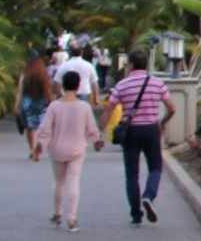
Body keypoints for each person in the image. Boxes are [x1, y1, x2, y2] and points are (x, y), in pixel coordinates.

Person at [108, 51, 172, 226]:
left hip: (131, 132)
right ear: (147, 64)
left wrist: (100, 132)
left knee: (132, 174)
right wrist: (162, 122)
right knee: (156, 167)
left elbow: (109, 108)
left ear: (130, 64)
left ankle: (136, 214)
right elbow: (172, 108)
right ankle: (148, 196)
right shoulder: (157, 83)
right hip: (151, 129)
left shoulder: (122, 85)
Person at [38, 68, 102, 231]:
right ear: (78, 86)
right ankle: (72, 219)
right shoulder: (84, 107)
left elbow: (45, 129)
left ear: (62, 86)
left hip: (57, 149)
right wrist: (96, 140)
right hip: (77, 149)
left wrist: (40, 145)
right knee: (73, 181)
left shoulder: (54, 106)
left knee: (59, 182)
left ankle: (57, 213)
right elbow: (92, 128)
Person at [15, 56, 52, 159]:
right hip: (42, 103)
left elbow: (20, 91)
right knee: (42, 127)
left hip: (28, 103)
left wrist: (16, 105)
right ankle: (39, 146)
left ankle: (32, 149)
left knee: (30, 127)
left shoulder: (24, 75)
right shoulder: (44, 75)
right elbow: (48, 91)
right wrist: (51, 102)